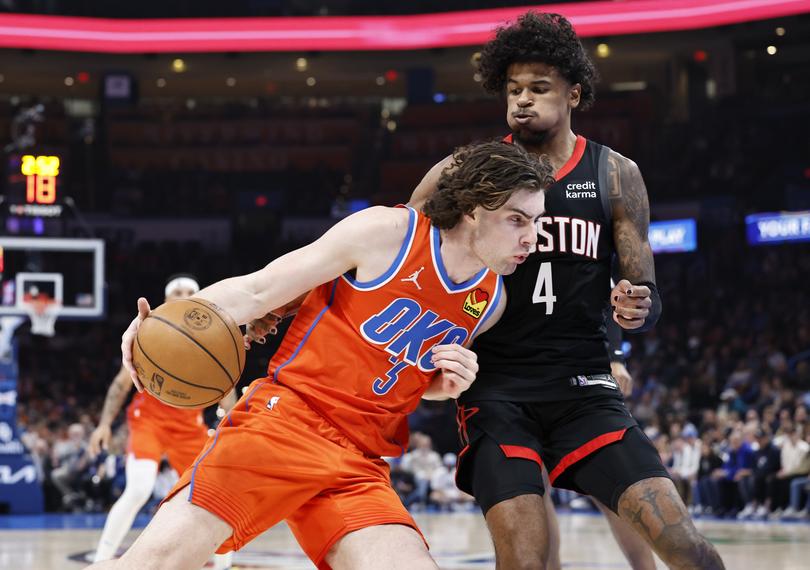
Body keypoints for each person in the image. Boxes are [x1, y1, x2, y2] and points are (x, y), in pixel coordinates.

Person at [88, 139, 555, 570]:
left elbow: (414, 382)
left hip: (359, 462)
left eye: (537, 221)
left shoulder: (491, 301)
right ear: (473, 209)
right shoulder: (387, 233)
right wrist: (166, 321)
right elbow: (259, 290)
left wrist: (445, 385)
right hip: (283, 424)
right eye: (517, 219)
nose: (531, 237)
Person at [406, 12, 723, 569]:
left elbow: (643, 293)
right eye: (512, 89)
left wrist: (636, 308)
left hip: (585, 386)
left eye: (538, 88)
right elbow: (395, 248)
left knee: (686, 546)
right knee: (529, 558)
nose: (521, 100)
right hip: (496, 388)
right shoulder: (464, 171)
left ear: (574, 94)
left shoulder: (614, 173)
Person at [88, 275, 236, 568]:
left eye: (190, 291)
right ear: (166, 300)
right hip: (149, 420)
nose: (184, 294)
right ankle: (103, 559)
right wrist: (105, 424)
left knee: (214, 494)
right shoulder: (150, 331)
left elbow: (227, 389)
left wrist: (229, 425)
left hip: (188, 425)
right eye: (177, 291)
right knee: (140, 487)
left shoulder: (216, 335)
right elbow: (121, 384)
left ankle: (225, 564)